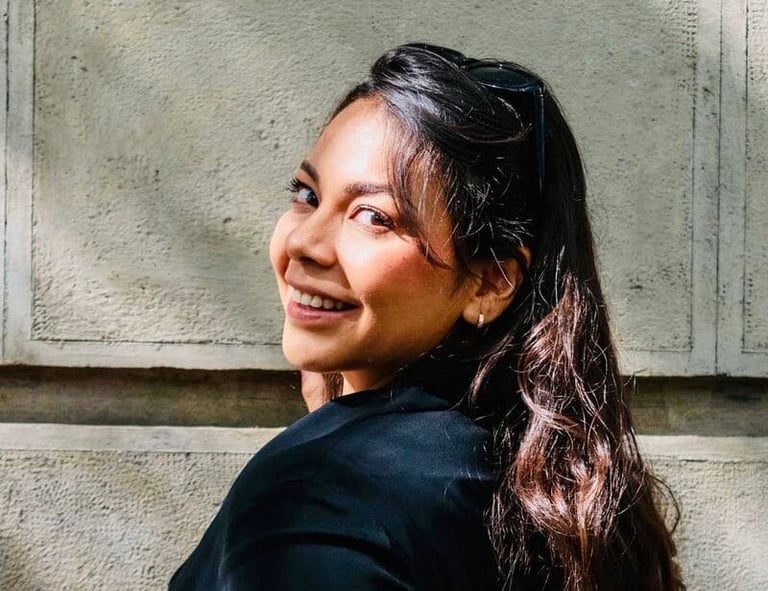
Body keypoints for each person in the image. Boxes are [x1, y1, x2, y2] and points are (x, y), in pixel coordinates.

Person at [169, 43, 684, 590]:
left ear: (491, 282)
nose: (303, 242)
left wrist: (327, 453)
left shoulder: (326, 493)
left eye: (373, 216)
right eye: (306, 193)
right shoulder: (551, 491)